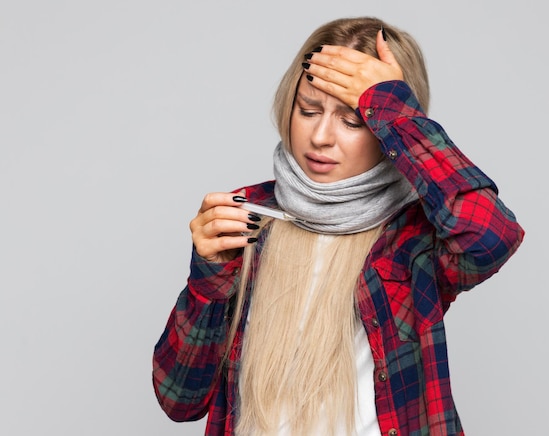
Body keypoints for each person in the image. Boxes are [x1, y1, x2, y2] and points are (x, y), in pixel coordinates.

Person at [152, 16, 524, 436]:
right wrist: (208, 282)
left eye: (353, 121)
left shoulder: (415, 235)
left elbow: (492, 236)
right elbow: (178, 399)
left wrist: (391, 107)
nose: (321, 137)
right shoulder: (246, 218)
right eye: (308, 110)